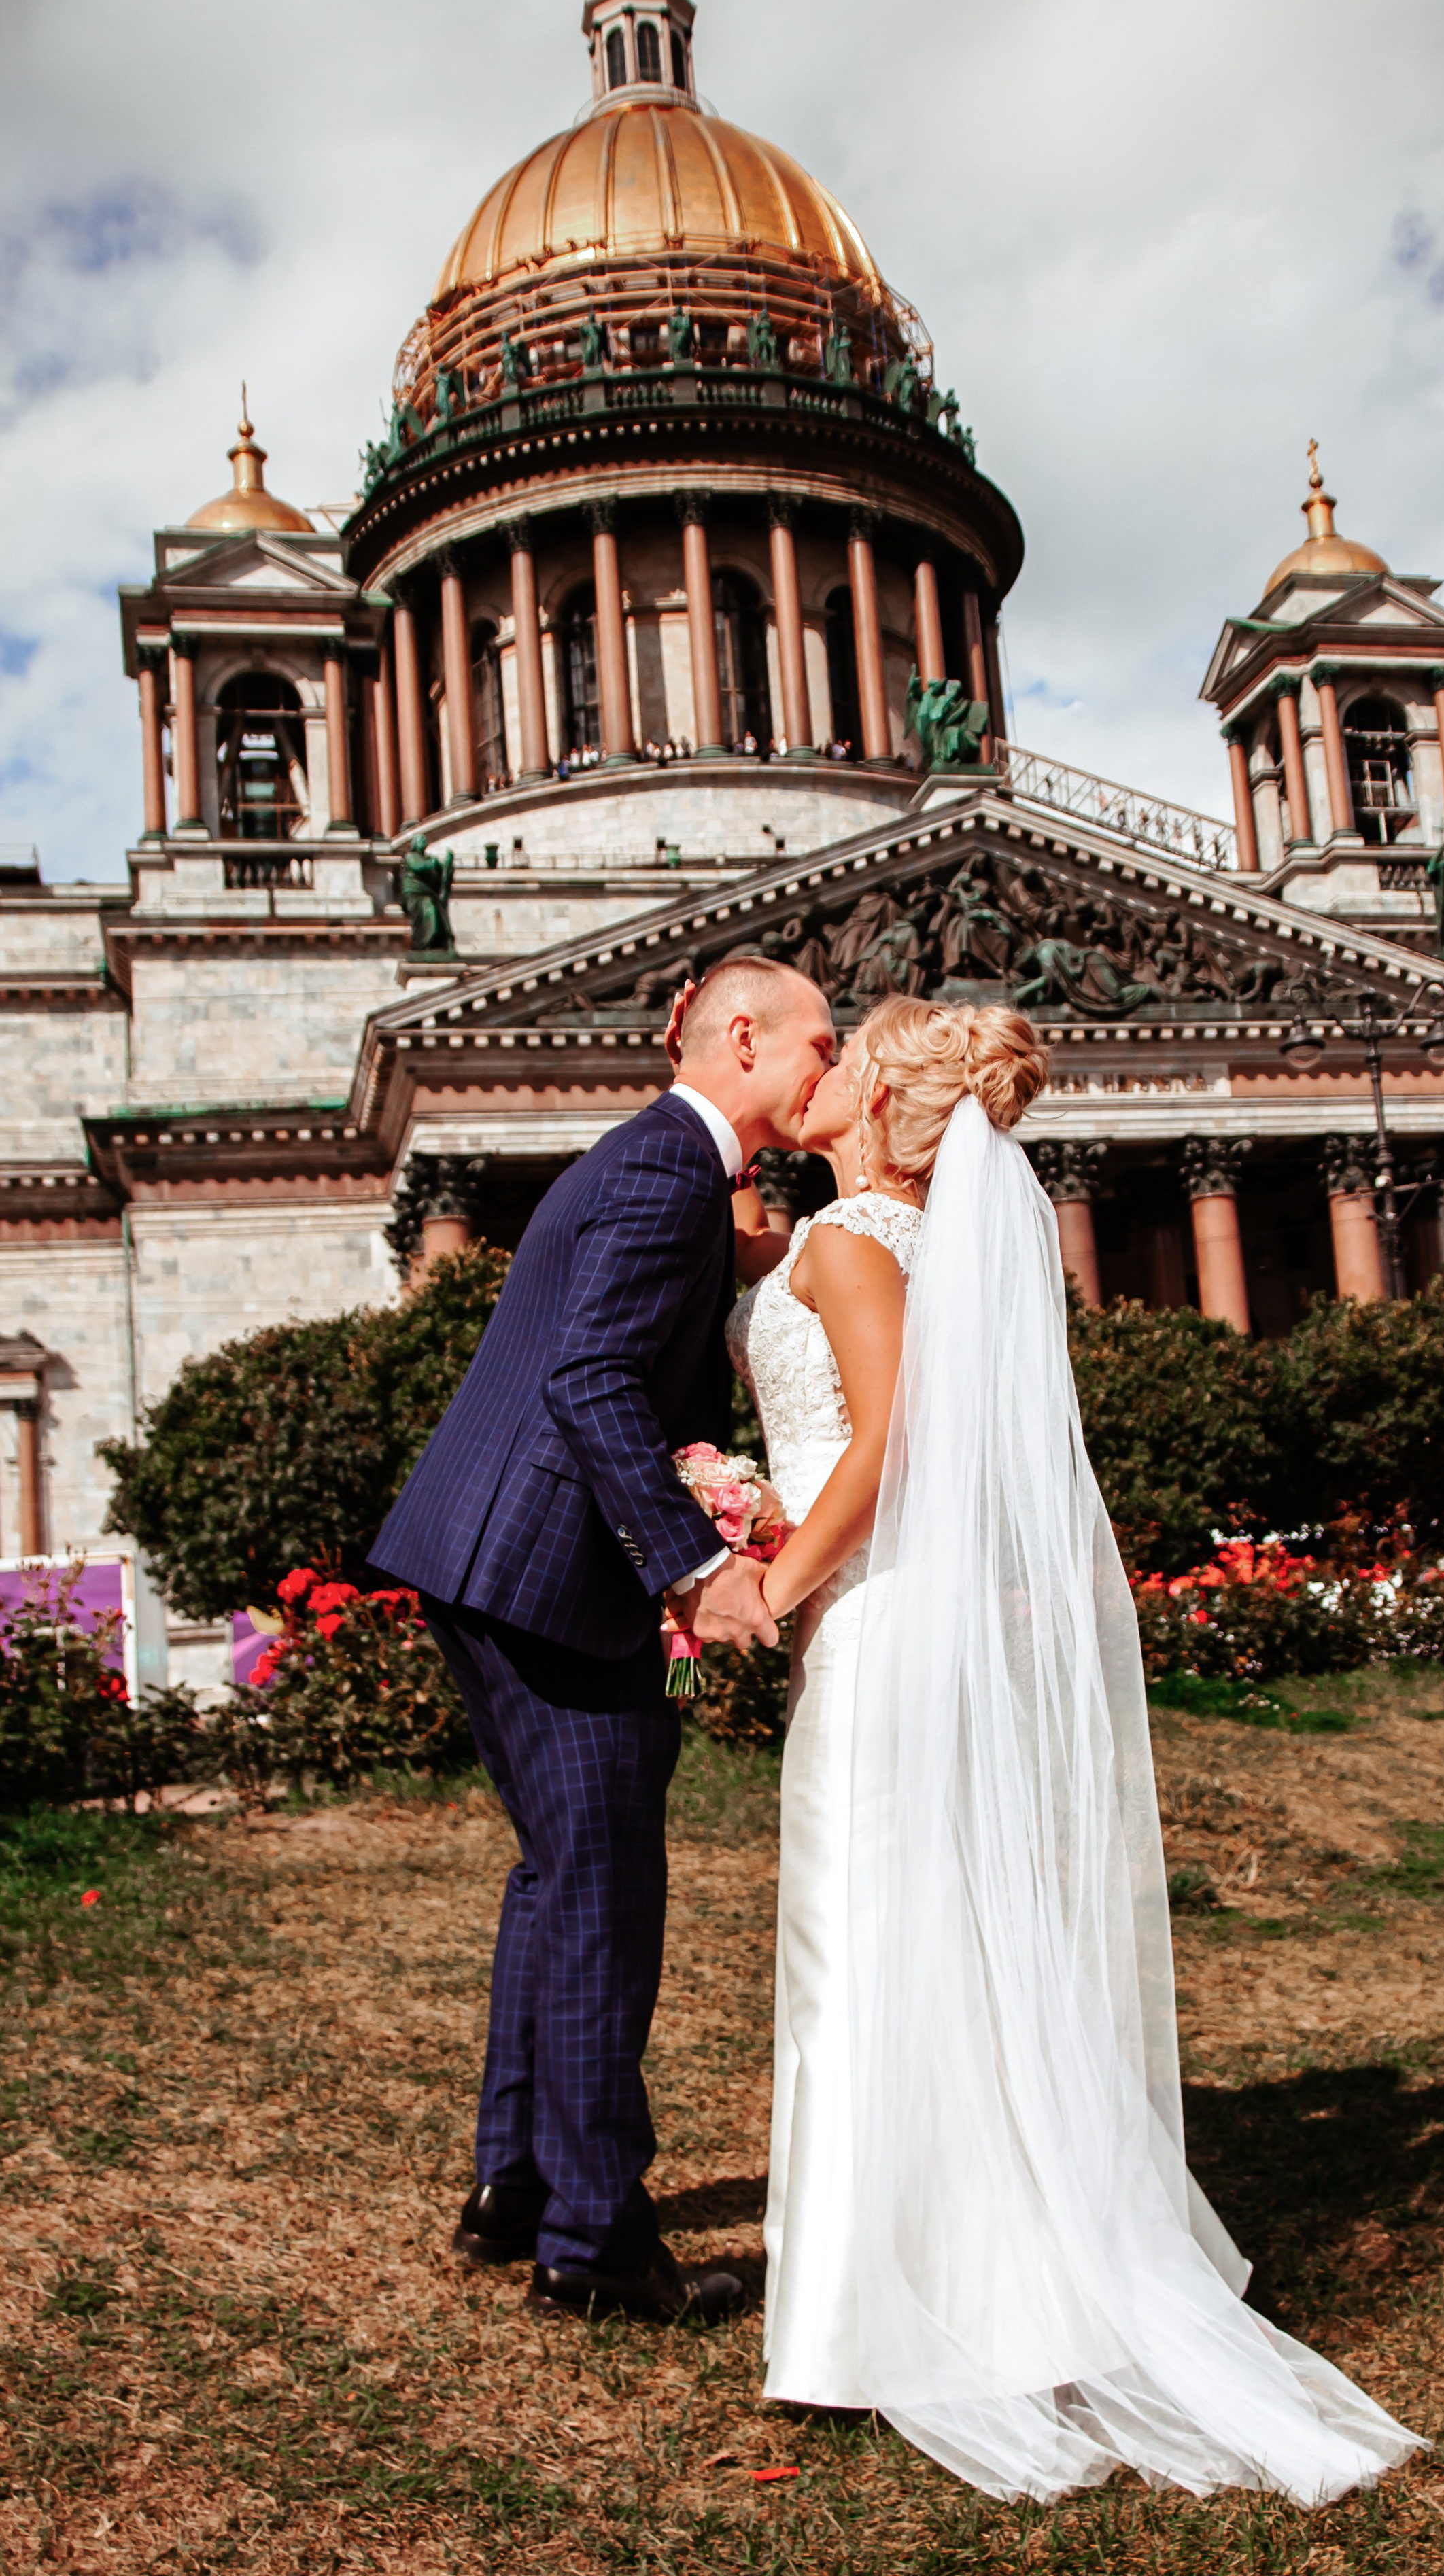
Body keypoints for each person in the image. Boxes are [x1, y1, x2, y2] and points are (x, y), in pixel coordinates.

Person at [727, 994, 1424, 2505]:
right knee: (944, 1943)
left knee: (863, 1943)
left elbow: (889, 1436)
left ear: (885, 1105)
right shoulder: (902, 1243)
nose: (827, 1063)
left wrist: (772, 1582)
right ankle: (992, 2282)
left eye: (850, 1056)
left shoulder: (851, 1245)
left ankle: (868, 2318)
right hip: (917, 1612)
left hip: (874, 1616)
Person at [370, 956, 837, 2325]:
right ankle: (593, 2246)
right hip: (541, 1578)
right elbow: (588, 1377)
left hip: (492, 1562)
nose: (830, 1062)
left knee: (557, 1876)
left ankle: (517, 2184)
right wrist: (694, 1563)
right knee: (599, 1892)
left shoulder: (666, 1169)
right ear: (741, 1038)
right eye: (820, 1040)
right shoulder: (664, 1172)